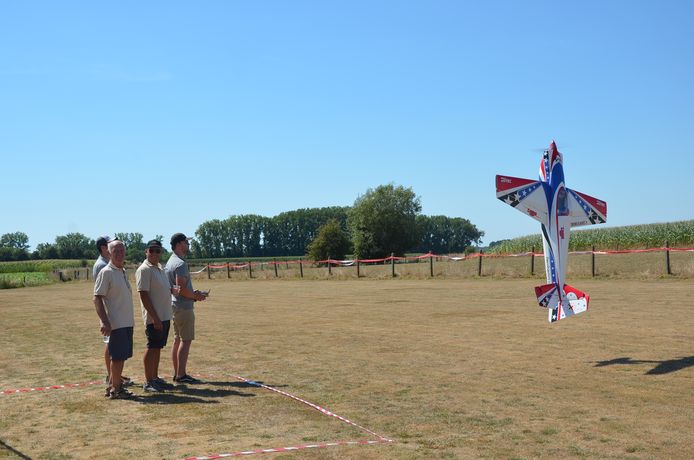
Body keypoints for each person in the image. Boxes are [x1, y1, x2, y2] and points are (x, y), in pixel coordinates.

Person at [135, 240, 179, 392]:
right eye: (151, 250)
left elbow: (162, 289)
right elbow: (143, 294)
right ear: (146, 251)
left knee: (158, 347)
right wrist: (154, 317)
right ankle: (148, 382)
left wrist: (171, 290)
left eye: (158, 251)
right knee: (152, 346)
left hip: (165, 315)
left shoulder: (159, 268)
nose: (154, 253)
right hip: (155, 317)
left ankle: (154, 378)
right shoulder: (144, 269)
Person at [93, 239, 135, 399]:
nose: (119, 253)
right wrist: (104, 321)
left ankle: (113, 387)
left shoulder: (122, 271)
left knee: (121, 357)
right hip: (116, 323)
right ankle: (116, 390)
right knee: (117, 358)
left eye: (122, 250)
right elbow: (96, 298)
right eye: (115, 251)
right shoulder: (106, 272)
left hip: (126, 322)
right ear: (109, 253)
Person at [165, 233, 207, 384]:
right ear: (178, 244)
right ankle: (181, 375)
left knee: (177, 340)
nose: (188, 245)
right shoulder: (180, 263)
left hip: (175, 306)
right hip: (183, 307)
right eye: (185, 242)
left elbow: (176, 288)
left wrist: (195, 294)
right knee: (185, 340)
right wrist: (196, 296)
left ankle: (178, 373)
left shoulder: (170, 261)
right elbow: (181, 288)